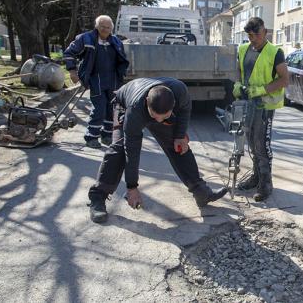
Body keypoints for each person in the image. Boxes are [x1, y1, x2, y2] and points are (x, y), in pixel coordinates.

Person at [87, 77, 227, 223]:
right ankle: (97, 197)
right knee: (119, 150)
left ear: (173, 106)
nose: (159, 121)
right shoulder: (134, 111)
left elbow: (185, 109)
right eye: (155, 116)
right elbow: (132, 151)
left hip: (152, 107)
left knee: (178, 146)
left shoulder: (180, 91)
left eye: (164, 117)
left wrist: (179, 135)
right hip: (126, 104)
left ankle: (201, 192)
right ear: (147, 102)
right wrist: (132, 187)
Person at [233, 17, 289, 201]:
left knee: (262, 144)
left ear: (265, 31)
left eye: (257, 34)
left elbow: (284, 79)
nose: (254, 38)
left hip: (265, 105)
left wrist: (262, 90)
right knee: (250, 141)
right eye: (250, 35)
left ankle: (266, 183)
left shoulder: (275, 52)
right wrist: (238, 84)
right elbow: (241, 71)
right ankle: (256, 176)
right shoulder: (243, 49)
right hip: (249, 104)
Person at [64, 15, 129, 148]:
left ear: (111, 28)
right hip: (95, 79)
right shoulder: (85, 38)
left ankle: (107, 135)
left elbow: (122, 59)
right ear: (97, 26)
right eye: (102, 27)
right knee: (99, 108)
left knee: (112, 109)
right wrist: (72, 71)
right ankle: (91, 137)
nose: (105, 30)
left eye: (108, 27)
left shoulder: (116, 41)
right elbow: (69, 53)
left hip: (113, 79)